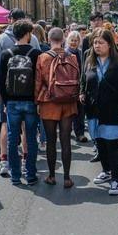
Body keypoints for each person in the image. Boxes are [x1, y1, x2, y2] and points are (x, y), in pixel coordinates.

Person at [80, 28, 118, 195]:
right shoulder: (89, 60)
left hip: (113, 110)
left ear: (110, 44)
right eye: (95, 42)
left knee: (113, 145)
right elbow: (84, 78)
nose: (97, 46)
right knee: (100, 144)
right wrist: (82, 92)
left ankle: (116, 180)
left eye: (101, 42)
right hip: (94, 110)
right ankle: (106, 171)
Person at [0, 9, 41, 176]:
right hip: (29, 94)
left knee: (6, 126)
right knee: (28, 129)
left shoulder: (2, 39)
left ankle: (5, 161)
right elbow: (39, 68)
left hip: (9, 92)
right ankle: (26, 161)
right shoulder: (33, 39)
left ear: (11, 19)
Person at [35, 27, 79, 188]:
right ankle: (67, 178)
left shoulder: (43, 57)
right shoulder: (72, 57)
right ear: (63, 39)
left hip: (49, 102)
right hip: (68, 102)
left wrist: (36, 102)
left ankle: (52, 176)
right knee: (66, 140)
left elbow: (38, 82)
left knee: (51, 140)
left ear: (48, 39)